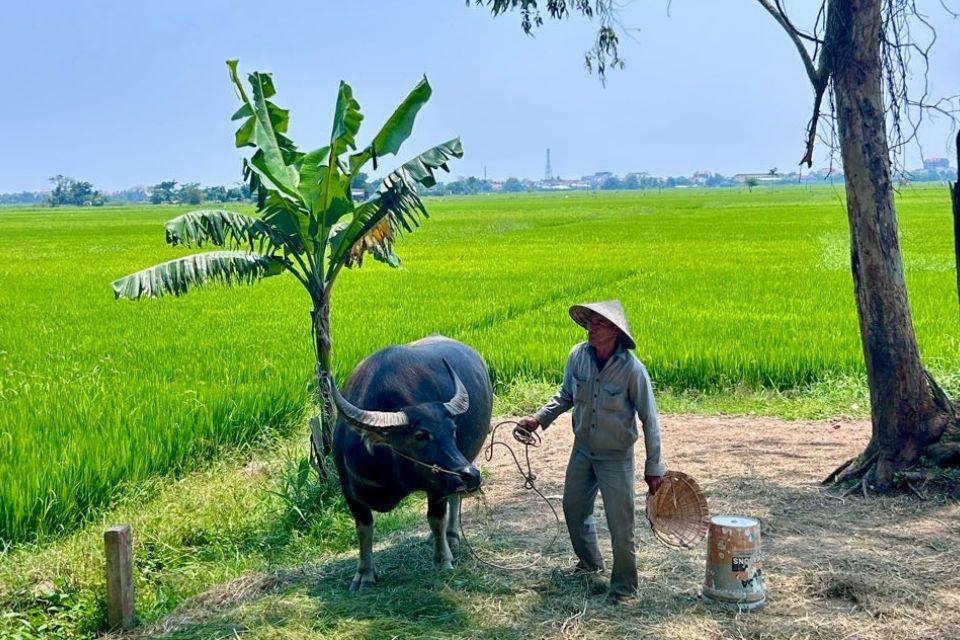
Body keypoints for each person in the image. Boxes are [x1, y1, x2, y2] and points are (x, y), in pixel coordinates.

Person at [518, 300, 665, 604]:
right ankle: (589, 564)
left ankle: (624, 588)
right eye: (589, 322)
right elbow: (565, 396)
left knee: (620, 525)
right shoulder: (577, 356)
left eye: (598, 323)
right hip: (583, 450)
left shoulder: (632, 370)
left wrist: (654, 465)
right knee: (573, 509)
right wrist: (538, 419)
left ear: (614, 331)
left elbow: (649, 419)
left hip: (616, 456)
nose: (590, 328)